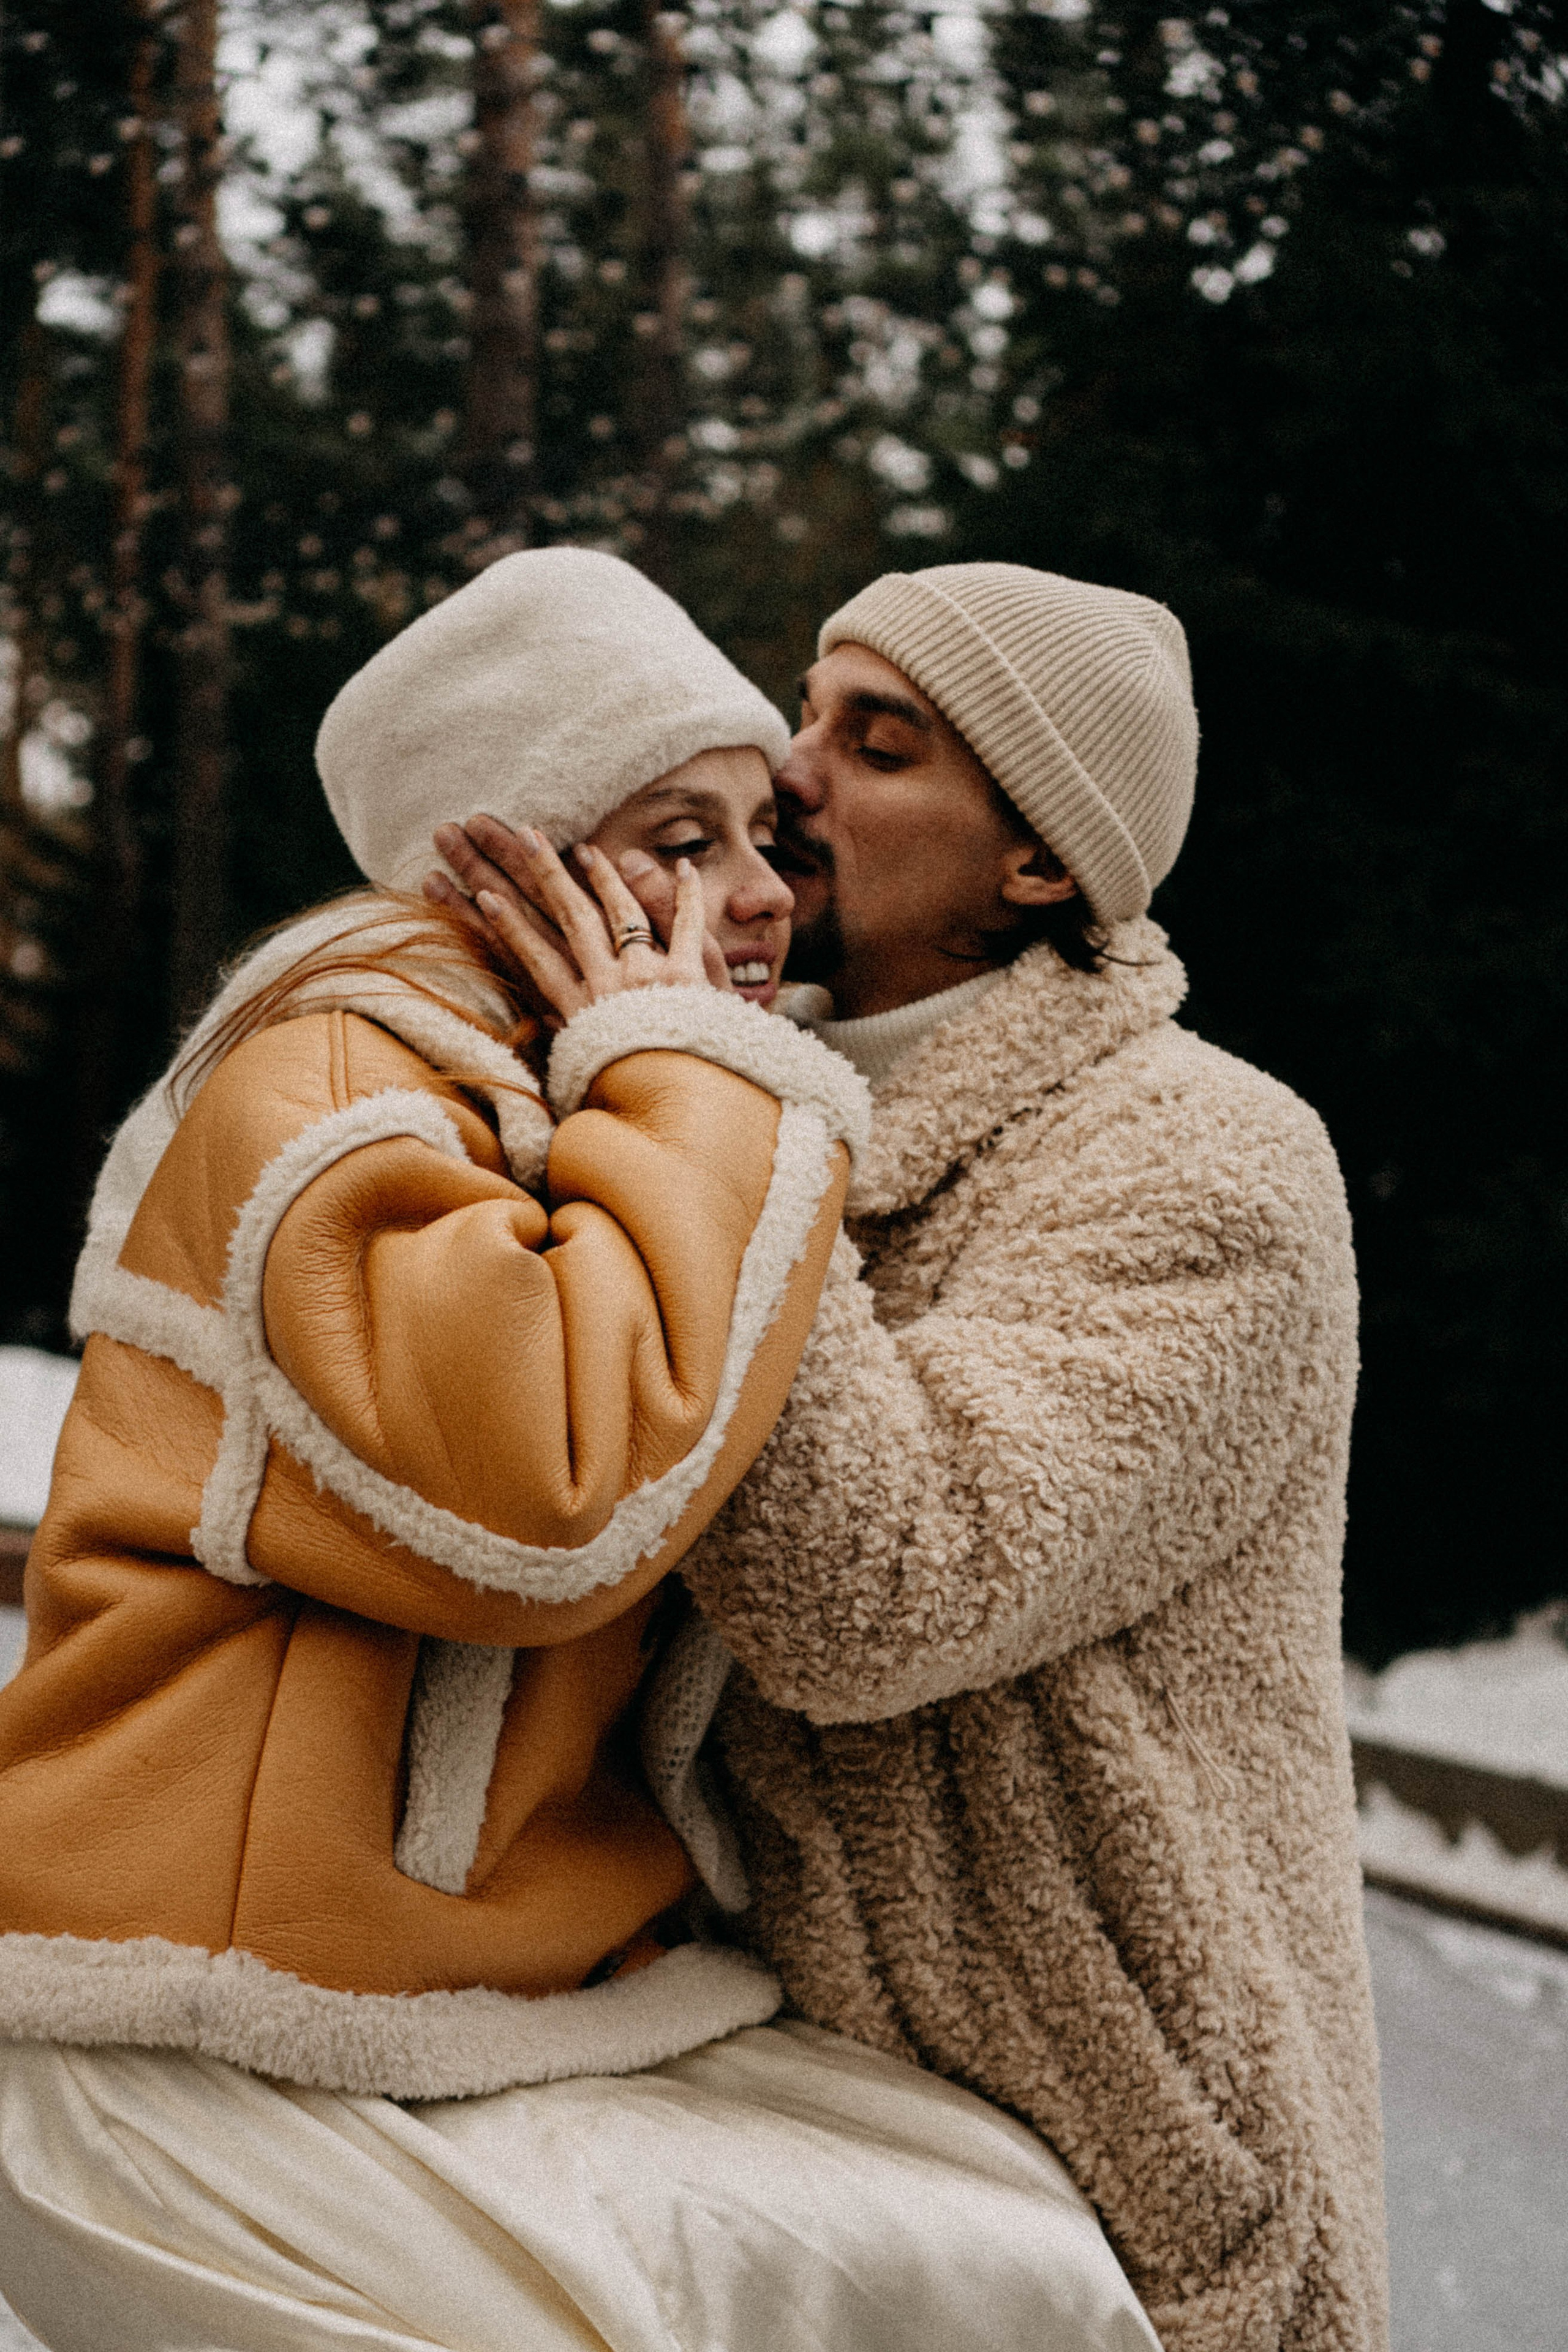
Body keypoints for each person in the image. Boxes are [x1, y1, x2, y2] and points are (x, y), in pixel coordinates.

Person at [0, 551, 1162, 2352]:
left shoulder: (548, 1088)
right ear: (500, 860)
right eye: (680, 839)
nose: (763, 892)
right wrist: (693, 1065)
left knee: (1013, 2261)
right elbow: (543, 1489)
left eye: (756, 836)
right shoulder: (336, 1079)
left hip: (455, 1991)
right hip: (209, 2018)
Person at [441, 562, 1387, 2352]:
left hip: (1107, 2159)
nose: (791, 771)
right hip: (748, 2064)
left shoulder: (1213, 1164)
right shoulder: (717, 1077)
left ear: (1041, 863)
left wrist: (694, 1094)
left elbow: (872, 1596)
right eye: (807, 711)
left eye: (878, 745)